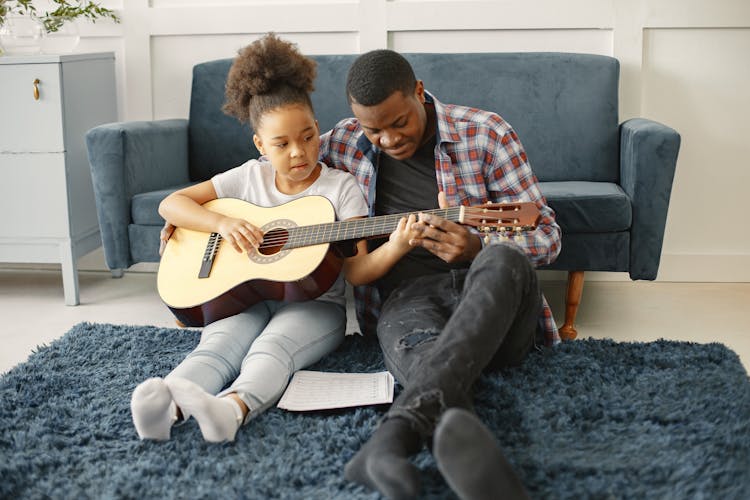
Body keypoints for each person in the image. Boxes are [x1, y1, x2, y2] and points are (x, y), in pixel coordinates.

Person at [130, 35, 420, 443]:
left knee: (272, 349)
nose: (299, 152)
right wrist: (221, 224)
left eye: (307, 136)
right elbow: (172, 205)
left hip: (316, 305)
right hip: (240, 293)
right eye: (282, 144)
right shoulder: (248, 176)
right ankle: (168, 405)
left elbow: (355, 271)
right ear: (260, 145)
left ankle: (232, 410)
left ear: (319, 128)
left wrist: (396, 245)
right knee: (219, 345)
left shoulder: (342, 188)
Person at [318, 50, 562, 499]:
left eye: (398, 123)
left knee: (503, 258)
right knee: (427, 356)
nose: (388, 140)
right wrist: (206, 221)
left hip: (491, 298)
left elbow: (547, 236)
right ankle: (452, 433)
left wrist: (476, 247)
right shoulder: (341, 144)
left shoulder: (486, 133)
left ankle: (390, 441)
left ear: (418, 92)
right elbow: (270, 183)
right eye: (374, 130)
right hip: (408, 304)